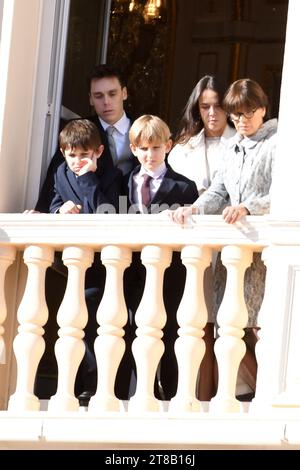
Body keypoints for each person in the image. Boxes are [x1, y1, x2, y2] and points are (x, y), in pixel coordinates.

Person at [169, 78, 277, 400]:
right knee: (229, 327)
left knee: (257, 327)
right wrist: (194, 208)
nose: (242, 120)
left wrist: (248, 207)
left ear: (262, 110)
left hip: (263, 253)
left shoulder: (278, 144)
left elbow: (284, 194)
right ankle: (261, 397)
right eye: (236, 115)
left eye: (248, 112)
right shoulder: (232, 147)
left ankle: (274, 397)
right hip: (232, 252)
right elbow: (219, 190)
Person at [168, 75, 236, 401]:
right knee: (197, 321)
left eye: (218, 106)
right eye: (205, 106)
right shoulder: (181, 150)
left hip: (231, 240)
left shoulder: (242, 142)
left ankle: (236, 392)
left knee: (230, 321)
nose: (212, 113)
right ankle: (198, 394)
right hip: (192, 244)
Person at [122, 114, 198, 400]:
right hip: (130, 275)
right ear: (133, 149)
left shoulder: (184, 187)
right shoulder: (121, 182)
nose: (149, 154)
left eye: (155, 148)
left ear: (167, 146)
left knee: (169, 333)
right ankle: (138, 391)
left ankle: (170, 395)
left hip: (170, 275)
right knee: (127, 331)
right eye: (143, 148)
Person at [48, 119, 123, 404]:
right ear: (63, 153)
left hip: (102, 267)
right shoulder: (59, 173)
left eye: (84, 155)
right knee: (68, 322)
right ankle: (69, 383)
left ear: (98, 152)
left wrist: (88, 179)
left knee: (95, 326)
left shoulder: (111, 177)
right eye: (71, 155)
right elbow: (55, 200)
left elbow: (104, 212)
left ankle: (91, 387)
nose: (77, 160)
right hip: (72, 264)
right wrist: (59, 209)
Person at [36, 64, 137, 212]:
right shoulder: (77, 132)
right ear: (90, 99)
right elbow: (55, 183)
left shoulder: (143, 130)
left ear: (124, 93)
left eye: (112, 93)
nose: (106, 101)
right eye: (98, 96)